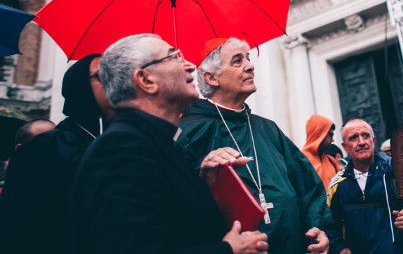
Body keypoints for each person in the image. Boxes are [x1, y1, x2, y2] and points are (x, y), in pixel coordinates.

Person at [70, 34, 268, 254]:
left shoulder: (160, 142)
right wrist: (229, 249)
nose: (191, 66)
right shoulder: (120, 149)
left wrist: (208, 186)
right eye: (174, 57)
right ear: (146, 80)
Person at [177, 37, 330, 254]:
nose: (250, 66)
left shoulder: (268, 128)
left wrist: (319, 229)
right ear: (211, 78)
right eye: (237, 61)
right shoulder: (187, 133)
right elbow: (182, 206)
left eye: (248, 58)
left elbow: (308, 186)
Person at [0, 54, 114, 254]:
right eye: (101, 76)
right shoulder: (46, 148)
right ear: (79, 87)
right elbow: (17, 222)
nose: (113, 82)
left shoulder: (123, 144)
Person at [326, 119, 403, 254]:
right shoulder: (338, 184)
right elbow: (327, 224)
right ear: (345, 146)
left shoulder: (397, 172)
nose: (361, 142)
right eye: (354, 138)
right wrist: (340, 248)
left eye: (365, 136)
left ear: (373, 140)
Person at [302, 114, 341, 190]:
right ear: (319, 133)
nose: (333, 140)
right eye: (330, 135)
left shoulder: (332, 161)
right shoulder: (300, 161)